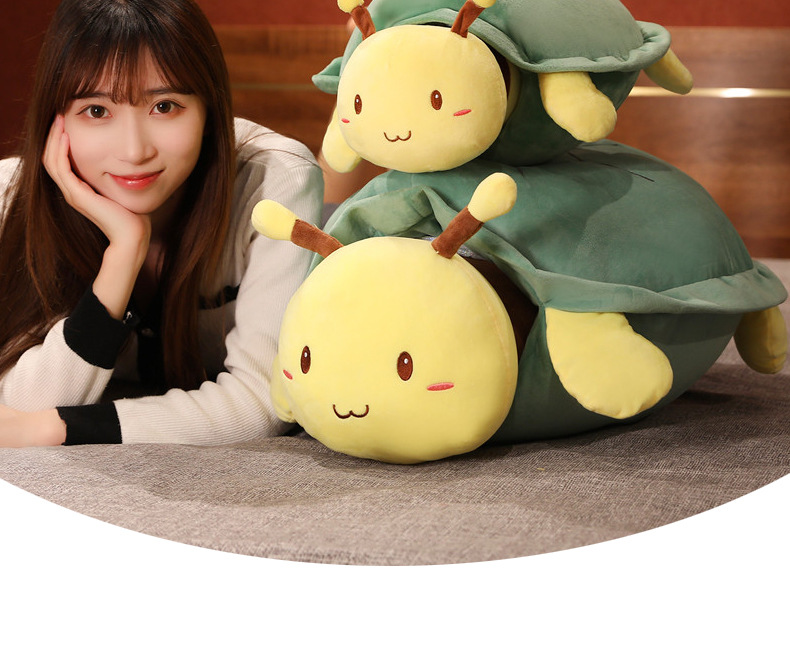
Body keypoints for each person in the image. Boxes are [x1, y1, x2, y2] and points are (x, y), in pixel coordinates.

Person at [0, 0, 323, 447]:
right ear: (56, 120)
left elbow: (263, 399)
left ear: (209, 110)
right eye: (96, 111)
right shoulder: (10, 196)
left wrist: (58, 429)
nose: (134, 151)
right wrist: (123, 255)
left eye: (165, 106)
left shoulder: (275, 183)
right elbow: (18, 405)